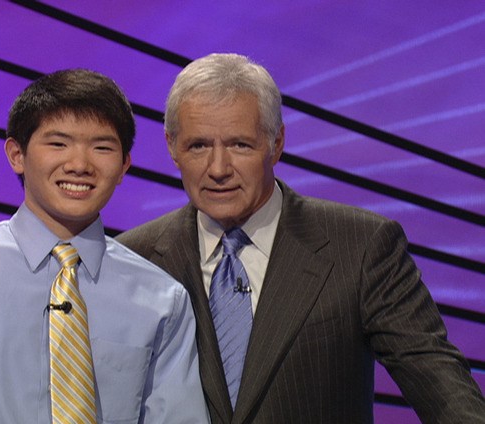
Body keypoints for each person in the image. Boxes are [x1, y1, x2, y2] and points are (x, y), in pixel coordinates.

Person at [116, 53, 485, 423]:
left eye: (240, 145)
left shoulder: (362, 247)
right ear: (171, 146)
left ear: (276, 144)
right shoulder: (135, 258)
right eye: (198, 146)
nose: (218, 169)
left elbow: (438, 382)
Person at [0, 69, 209, 423]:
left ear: (123, 166)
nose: (79, 165)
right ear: (17, 154)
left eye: (102, 147)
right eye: (58, 143)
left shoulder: (163, 297)